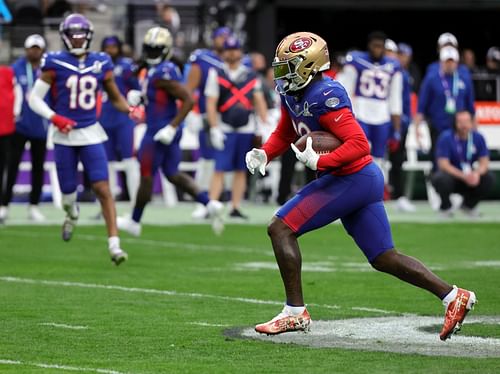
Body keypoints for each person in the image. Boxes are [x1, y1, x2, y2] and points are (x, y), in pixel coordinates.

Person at [245, 31, 476, 340]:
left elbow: (360, 144)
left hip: (352, 177)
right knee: (383, 257)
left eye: (288, 67)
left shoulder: (327, 94)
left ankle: (295, 313)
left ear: (309, 65)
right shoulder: (293, 94)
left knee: (280, 228)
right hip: (354, 180)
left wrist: (321, 163)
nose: (282, 75)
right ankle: (452, 296)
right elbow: (287, 131)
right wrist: (265, 153)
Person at [28, 13, 136, 265]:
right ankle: (71, 213)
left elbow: (116, 96)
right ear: (65, 38)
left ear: (88, 36)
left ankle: (114, 245)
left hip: (90, 131)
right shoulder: (53, 62)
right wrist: (55, 118)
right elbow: (33, 99)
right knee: (68, 194)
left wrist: (130, 110)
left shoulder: (102, 62)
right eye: (72, 36)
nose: (77, 40)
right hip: (64, 135)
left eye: (81, 35)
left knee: (103, 188)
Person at [117, 26, 224, 237]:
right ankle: (209, 203)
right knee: (172, 173)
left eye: (157, 49)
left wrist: (171, 127)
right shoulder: (158, 69)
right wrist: (140, 96)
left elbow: (188, 99)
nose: (152, 52)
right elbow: (159, 96)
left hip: (159, 129)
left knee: (146, 176)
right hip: (165, 128)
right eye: (150, 48)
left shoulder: (163, 71)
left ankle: (135, 221)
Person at [205, 36, 268, 219]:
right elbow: (211, 103)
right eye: (229, 49)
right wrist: (214, 127)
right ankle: (212, 204)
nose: (232, 53)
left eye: (235, 49)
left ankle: (235, 206)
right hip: (224, 126)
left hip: (245, 127)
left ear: (240, 52)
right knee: (220, 168)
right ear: (224, 52)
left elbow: (258, 100)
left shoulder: (250, 75)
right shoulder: (216, 74)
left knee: (242, 169)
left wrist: (265, 125)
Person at [337, 31, 402, 176]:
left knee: (379, 155)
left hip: (382, 114)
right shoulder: (356, 60)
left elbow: (395, 98)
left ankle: (377, 188)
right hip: (361, 112)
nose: (377, 49)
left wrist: (397, 128)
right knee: (358, 152)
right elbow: (345, 90)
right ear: (369, 46)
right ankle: (357, 186)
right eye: (375, 46)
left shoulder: (393, 66)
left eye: (380, 46)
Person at [184, 26, 231, 219]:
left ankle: (224, 199)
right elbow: (189, 89)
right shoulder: (202, 58)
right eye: (221, 37)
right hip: (207, 115)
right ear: (213, 39)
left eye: (227, 37)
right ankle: (203, 200)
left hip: (230, 118)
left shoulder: (236, 61)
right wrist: (191, 113)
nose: (224, 40)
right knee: (207, 159)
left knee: (226, 161)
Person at [2, 34, 48, 223]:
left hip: (41, 126)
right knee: (12, 167)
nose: (34, 51)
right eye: (31, 48)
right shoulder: (15, 69)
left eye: (37, 48)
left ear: (42, 50)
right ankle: (4, 206)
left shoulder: (48, 69)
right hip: (19, 127)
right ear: (26, 49)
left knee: (38, 168)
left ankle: (34, 207)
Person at [414, 46, 475, 167]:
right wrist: (417, 128)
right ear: (441, 62)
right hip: (438, 126)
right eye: (447, 61)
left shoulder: (464, 79)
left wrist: (474, 125)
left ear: (457, 62)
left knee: (461, 157)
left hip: (460, 127)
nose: (449, 64)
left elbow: (470, 105)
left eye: (452, 61)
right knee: (438, 160)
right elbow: (421, 105)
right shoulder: (431, 78)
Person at [99, 35, 141, 209]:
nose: (110, 50)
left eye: (113, 47)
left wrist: (134, 98)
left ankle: (135, 204)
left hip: (123, 119)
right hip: (104, 119)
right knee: (105, 164)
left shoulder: (126, 66)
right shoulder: (97, 66)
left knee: (129, 160)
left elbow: (138, 88)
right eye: (107, 47)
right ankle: (107, 205)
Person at [431, 110, 495, 218]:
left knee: (489, 178)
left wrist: (476, 174)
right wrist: (463, 176)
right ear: (455, 123)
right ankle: (446, 207)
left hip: (470, 176)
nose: (463, 125)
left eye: (466, 122)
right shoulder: (446, 137)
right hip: (453, 177)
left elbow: (484, 161)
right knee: (440, 178)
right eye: (460, 122)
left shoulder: (478, 138)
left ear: (472, 122)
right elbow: (443, 164)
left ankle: (468, 205)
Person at [388, 41, 417, 213]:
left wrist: (404, 121)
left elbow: (405, 101)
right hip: (380, 121)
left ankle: (399, 196)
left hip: (399, 123)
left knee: (398, 160)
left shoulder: (403, 74)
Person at [0, 65, 16, 224]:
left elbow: (15, 95)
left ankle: (3, 205)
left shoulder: (7, 72)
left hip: (5, 129)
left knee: (3, 168)